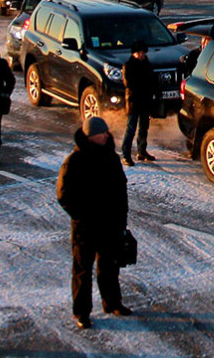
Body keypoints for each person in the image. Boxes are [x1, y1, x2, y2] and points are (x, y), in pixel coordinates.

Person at [57, 116, 132, 329]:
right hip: (85, 226)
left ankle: (112, 303)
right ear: (91, 136)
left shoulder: (111, 157)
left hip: (110, 225)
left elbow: (120, 190)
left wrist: (121, 219)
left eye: (106, 132)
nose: (106, 135)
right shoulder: (75, 161)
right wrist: (81, 215)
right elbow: (64, 195)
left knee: (109, 267)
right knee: (82, 269)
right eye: (102, 133)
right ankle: (81, 312)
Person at [120, 40, 156, 165]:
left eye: (143, 53)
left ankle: (142, 151)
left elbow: (152, 80)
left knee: (144, 128)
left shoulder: (147, 64)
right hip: (134, 102)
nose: (141, 55)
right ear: (134, 53)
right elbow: (129, 84)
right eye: (139, 53)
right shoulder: (128, 66)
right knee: (131, 129)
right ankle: (126, 154)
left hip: (145, 101)